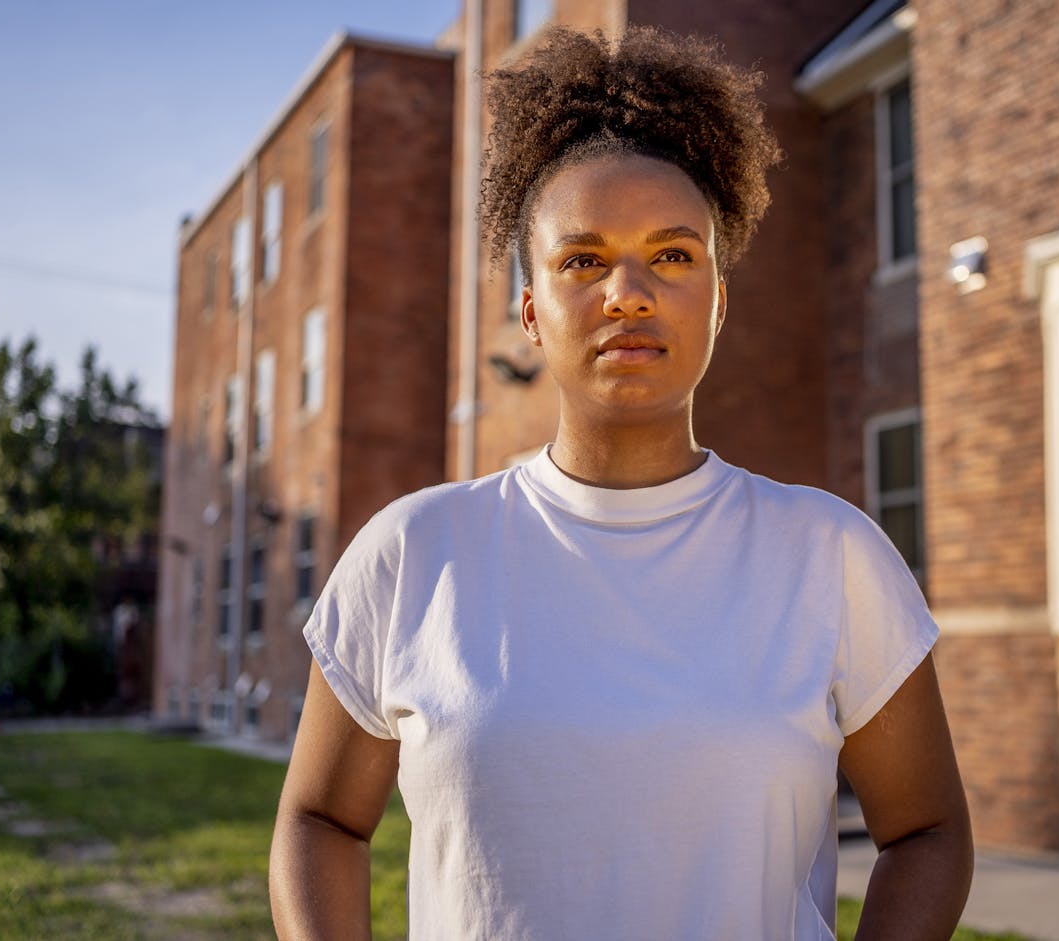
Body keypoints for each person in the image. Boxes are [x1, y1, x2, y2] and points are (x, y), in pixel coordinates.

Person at [270, 25, 972, 941]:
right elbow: (318, 817)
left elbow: (927, 830)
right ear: (532, 310)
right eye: (583, 259)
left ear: (718, 300)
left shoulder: (828, 553)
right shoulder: (414, 552)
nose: (627, 293)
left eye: (673, 255)